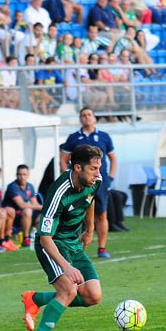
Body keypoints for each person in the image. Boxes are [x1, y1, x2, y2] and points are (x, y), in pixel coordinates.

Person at [21, 144, 104, 331]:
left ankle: (35, 299)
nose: (98, 173)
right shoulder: (58, 192)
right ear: (77, 167)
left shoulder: (95, 181)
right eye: (93, 169)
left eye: (99, 167)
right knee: (69, 290)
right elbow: (45, 236)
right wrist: (66, 267)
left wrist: (90, 229)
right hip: (51, 245)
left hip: (73, 243)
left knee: (93, 296)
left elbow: (90, 199)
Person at [60, 107, 116, 258]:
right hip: (79, 183)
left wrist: (110, 177)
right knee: (76, 214)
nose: (86, 117)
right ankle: (74, 247)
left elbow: (113, 158)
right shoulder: (73, 138)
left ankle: (102, 248)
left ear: (94, 117)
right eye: (83, 115)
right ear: (80, 119)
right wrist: (68, 176)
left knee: (101, 214)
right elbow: (63, 159)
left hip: (100, 182)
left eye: (89, 115)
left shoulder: (104, 136)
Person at [2, 164, 43, 247]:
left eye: (24, 174)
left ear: (28, 175)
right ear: (16, 175)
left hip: (25, 215)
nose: (22, 177)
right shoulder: (12, 187)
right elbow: (22, 205)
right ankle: (26, 238)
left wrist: (44, 209)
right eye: (19, 174)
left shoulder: (30, 186)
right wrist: (42, 207)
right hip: (14, 217)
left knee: (43, 214)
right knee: (27, 211)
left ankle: (41, 237)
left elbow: (34, 203)